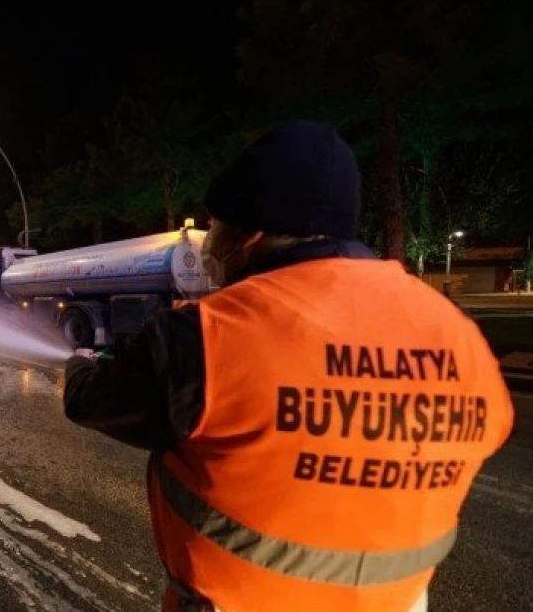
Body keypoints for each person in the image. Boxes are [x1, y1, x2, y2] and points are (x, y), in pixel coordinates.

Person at [63, 120, 514, 612]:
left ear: (250, 233)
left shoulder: (206, 338)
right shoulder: (461, 339)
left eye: (215, 226)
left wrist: (81, 364)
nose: (209, 242)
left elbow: (92, 399)